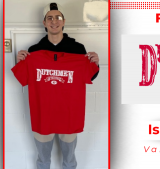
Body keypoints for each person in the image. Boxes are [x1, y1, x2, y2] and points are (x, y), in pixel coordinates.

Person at [15, 3, 99, 169]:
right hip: (42, 117)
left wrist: (95, 63)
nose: (54, 21)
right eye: (50, 18)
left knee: (69, 161)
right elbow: (23, 79)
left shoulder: (77, 49)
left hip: (69, 116)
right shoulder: (34, 51)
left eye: (58, 17)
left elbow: (90, 76)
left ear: (64, 21)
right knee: (43, 161)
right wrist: (21, 62)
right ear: (44, 22)